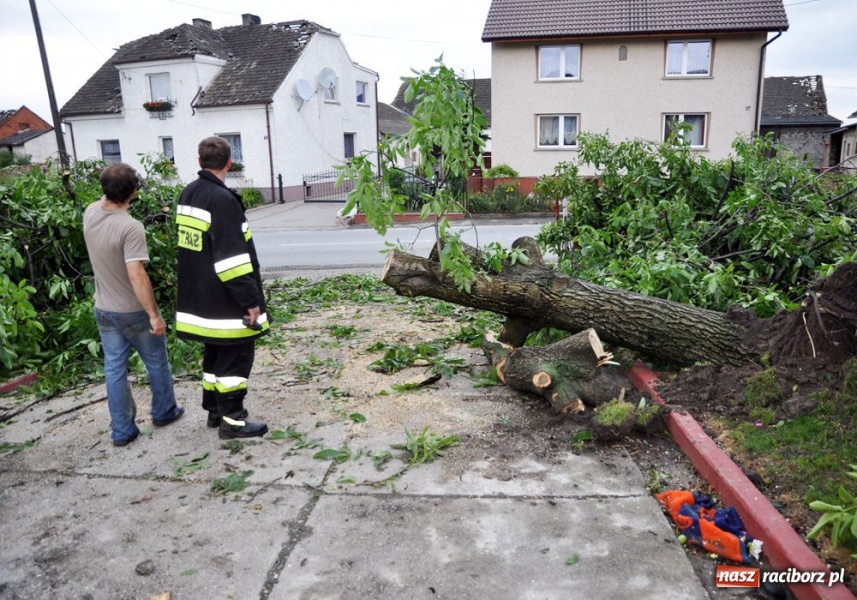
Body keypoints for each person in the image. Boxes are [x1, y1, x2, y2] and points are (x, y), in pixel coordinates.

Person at [83, 163, 184, 447]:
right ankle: (164, 412)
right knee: (156, 362)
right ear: (134, 192)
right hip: (132, 311)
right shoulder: (130, 227)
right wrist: (154, 315)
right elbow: (136, 273)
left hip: (103, 308)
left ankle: (122, 431)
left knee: (114, 369)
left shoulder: (90, 212)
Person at [175, 136, 269, 439]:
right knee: (236, 357)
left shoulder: (189, 193)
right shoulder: (222, 200)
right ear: (230, 162)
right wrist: (251, 302)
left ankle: (215, 411)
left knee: (214, 356)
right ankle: (233, 421)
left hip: (199, 297)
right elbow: (233, 261)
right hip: (225, 300)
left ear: (199, 161)